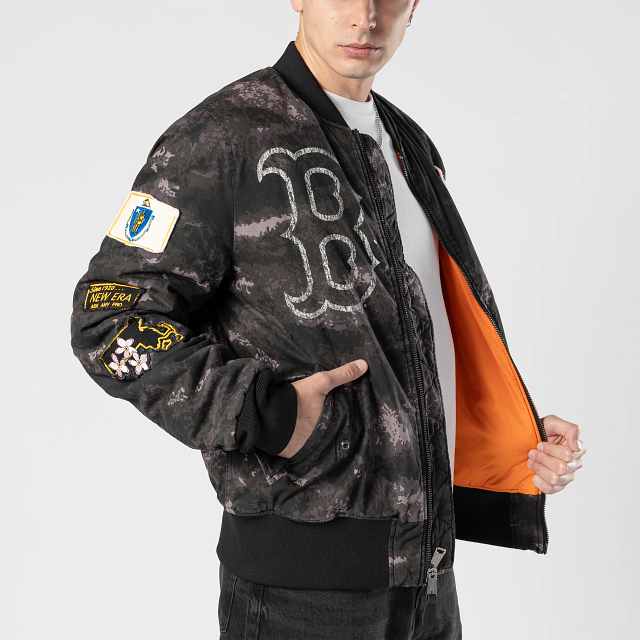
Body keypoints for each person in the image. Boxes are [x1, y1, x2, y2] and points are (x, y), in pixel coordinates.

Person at [70, 1, 587, 638]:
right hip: (300, 591)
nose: (366, 17)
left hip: (425, 575)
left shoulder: (408, 144)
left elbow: (414, 331)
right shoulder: (223, 137)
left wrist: (509, 429)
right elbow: (109, 315)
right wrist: (265, 413)